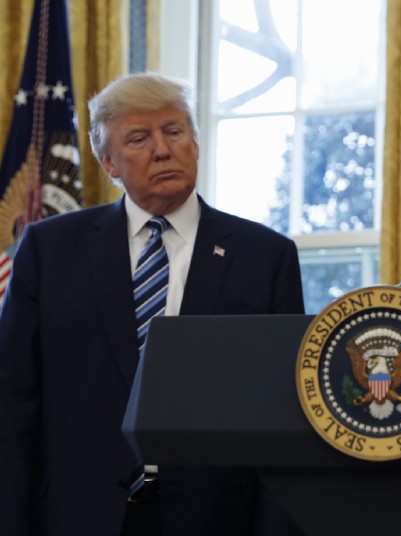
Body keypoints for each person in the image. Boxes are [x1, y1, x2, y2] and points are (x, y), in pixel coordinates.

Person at [0, 73, 304, 535]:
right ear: (108, 162)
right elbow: (13, 402)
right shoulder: (49, 249)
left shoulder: (264, 256)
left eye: (175, 131)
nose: (162, 149)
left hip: (216, 517)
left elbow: (280, 415)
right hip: (76, 514)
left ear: (196, 143)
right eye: (139, 138)